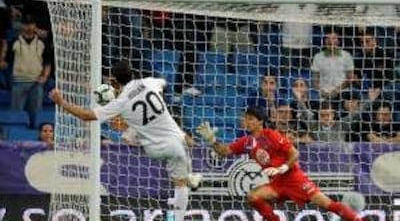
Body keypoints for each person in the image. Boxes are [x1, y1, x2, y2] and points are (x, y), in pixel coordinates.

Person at [49, 60, 201, 221]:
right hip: (173, 143)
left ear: (114, 81)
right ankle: (180, 209)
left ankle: (189, 177)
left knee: (135, 130)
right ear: (132, 74)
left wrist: (61, 102)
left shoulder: (120, 103)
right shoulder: (148, 82)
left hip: (151, 148)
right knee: (180, 179)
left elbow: (87, 116)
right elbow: (163, 83)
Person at [196, 106, 367, 221]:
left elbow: (294, 152)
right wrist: (212, 140)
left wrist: (282, 167)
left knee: (327, 204)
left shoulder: (271, 134)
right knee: (253, 196)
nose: (246, 122)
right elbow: (224, 151)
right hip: (277, 183)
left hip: (294, 178)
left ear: (259, 121)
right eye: (245, 119)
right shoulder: (247, 142)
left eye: (250, 119)